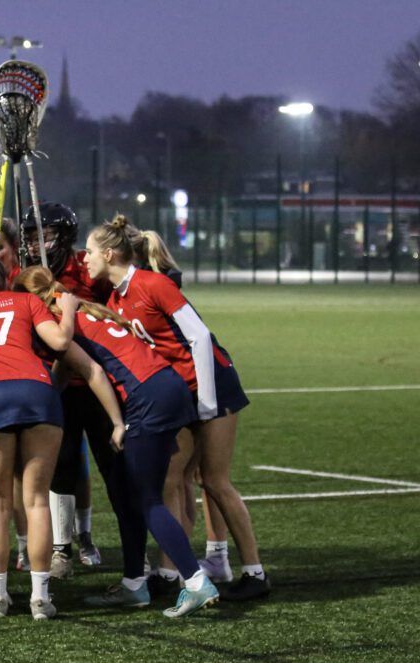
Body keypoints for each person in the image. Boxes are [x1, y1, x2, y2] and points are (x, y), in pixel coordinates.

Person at [16, 266, 220, 618]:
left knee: (146, 499)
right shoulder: (81, 308)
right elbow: (65, 372)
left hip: (147, 397)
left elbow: (92, 371)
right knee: (126, 493)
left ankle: (196, 581)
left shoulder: (63, 320)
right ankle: (133, 584)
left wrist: (115, 422)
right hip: (166, 386)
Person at [85, 214, 269, 601]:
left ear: (108, 253)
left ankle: (254, 572)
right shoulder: (116, 297)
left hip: (212, 385)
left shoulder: (153, 283)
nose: (84, 259)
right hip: (179, 393)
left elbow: (200, 338)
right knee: (171, 480)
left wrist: (204, 402)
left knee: (214, 480)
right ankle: (170, 573)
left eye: (88, 252)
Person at [0, 252, 118, 620]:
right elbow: (60, 342)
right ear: (4, 277)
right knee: (37, 501)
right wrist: (70, 309)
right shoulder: (27, 300)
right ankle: (40, 598)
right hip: (37, 393)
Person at [20, 202, 113, 577]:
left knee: (112, 464)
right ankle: (61, 548)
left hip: (93, 379)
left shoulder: (86, 269)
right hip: (53, 383)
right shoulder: (27, 273)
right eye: (30, 237)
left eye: (43, 235)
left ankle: (97, 538)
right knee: (61, 464)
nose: (35, 244)